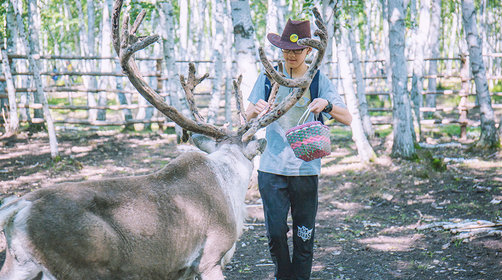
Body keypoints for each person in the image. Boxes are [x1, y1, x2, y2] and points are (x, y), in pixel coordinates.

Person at [245, 18, 352, 280]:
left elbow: (347, 118)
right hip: (271, 170)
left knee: (305, 236)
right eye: (286, 50)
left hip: (305, 169)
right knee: (276, 233)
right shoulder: (270, 76)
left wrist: (325, 105)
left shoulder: (317, 79)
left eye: (297, 50)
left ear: (308, 51)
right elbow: (245, 116)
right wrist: (255, 110)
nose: (291, 55)